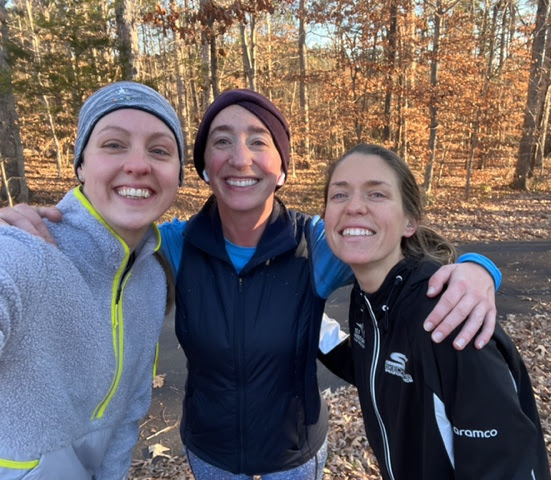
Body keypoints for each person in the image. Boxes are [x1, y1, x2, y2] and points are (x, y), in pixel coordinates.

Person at [0, 89, 500, 479]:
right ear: (203, 168)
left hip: (294, 454)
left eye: (259, 141)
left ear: (282, 169)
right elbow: (100, 238)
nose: (240, 158)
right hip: (210, 451)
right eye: (221, 141)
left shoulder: (317, 245)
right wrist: (23, 223)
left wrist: (478, 270)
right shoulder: (171, 245)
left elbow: (403, 250)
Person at [321, 144, 551, 479]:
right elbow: (372, 366)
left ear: (409, 222)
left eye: (377, 194)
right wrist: (304, 323)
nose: (354, 206)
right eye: (339, 195)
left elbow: (507, 466)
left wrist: (482, 267)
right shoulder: (367, 298)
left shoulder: (447, 311)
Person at [0, 81, 184, 479]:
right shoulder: (27, 249)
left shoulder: (153, 279)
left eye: (159, 150)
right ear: (81, 164)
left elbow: (129, 411)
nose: (138, 165)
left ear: (178, 174)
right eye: (114, 145)